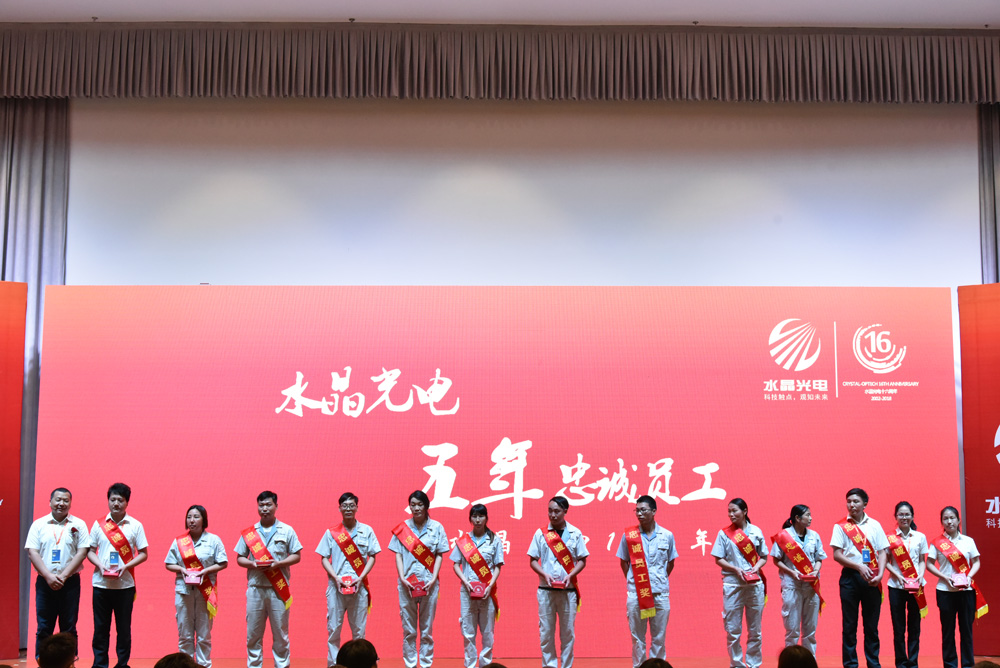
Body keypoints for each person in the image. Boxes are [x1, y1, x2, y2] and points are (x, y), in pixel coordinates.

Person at [234, 490, 303, 668]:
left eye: (268, 505)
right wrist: (253, 564)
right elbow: (240, 558)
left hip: (278, 589)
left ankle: (282, 666)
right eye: (261, 505)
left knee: (280, 634)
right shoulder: (250, 533)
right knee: (253, 634)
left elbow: (296, 555)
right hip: (255, 589)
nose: (264, 508)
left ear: (276, 506)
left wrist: (278, 564)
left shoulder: (287, 530)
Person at [87, 482, 149, 668]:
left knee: (123, 629)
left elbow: (143, 553)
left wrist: (126, 566)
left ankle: (122, 664)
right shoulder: (99, 524)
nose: (116, 503)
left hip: (125, 586)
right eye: (112, 499)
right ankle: (100, 664)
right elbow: (90, 551)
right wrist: (99, 565)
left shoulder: (135, 525)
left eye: (120, 500)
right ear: (108, 501)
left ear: (127, 502)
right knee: (100, 629)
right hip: (101, 585)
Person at [316, 492, 381, 666]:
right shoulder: (331, 533)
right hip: (336, 588)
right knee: (333, 630)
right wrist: (336, 577)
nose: (348, 509)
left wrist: (361, 577)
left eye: (352, 505)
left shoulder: (366, 531)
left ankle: (359, 665)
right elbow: (324, 557)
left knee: (359, 632)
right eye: (345, 506)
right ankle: (334, 665)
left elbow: (373, 556)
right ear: (339, 508)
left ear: (357, 507)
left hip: (359, 588)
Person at [25, 488, 91, 658]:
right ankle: (43, 661)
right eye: (58, 500)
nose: (61, 503)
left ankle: (69, 662)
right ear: (50, 502)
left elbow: (82, 552)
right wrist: (48, 576)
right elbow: (32, 552)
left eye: (66, 500)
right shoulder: (39, 524)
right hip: (44, 582)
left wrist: (63, 576)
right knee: (44, 627)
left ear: (70, 503)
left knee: (69, 627)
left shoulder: (79, 524)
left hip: (70, 582)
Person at [388, 490, 450, 668]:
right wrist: (402, 577)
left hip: (429, 584)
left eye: (420, 504)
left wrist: (434, 577)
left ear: (426, 506)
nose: (416, 508)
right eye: (413, 505)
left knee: (426, 629)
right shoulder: (403, 529)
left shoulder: (437, 527)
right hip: (407, 584)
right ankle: (410, 664)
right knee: (409, 630)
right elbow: (398, 555)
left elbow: (439, 555)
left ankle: (425, 664)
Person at [616, 495, 678, 668]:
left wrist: (659, 579)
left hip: (660, 594)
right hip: (637, 594)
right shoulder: (629, 536)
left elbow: (671, 562)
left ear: (654, 511)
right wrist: (635, 581)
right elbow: (623, 562)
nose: (639, 513)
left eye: (643, 510)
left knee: (659, 637)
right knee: (637, 638)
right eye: (637, 510)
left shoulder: (667, 535)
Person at [527, 495, 589, 668]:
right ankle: (549, 666)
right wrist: (544, 574)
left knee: (567, 633)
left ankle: (566, 666)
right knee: (546, 632)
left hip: (568, 591)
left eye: (556, 511)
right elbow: (532, 560)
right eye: (550, 511)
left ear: (565, 511)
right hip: (545, 590)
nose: (552, 515)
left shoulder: (575, 533)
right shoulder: (541, 533)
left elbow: (582, 560)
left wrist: (571, 575)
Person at [831, 487, 889, 668]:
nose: (851, 505)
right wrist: (858, 566)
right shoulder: (840, 526)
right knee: (849, 625)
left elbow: (882, 551)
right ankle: (850, 664)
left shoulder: (875, 525)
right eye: (849, 501)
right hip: (850, 578)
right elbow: (837, 555)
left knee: (871, 626)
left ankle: (873, 663)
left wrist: (880, 574)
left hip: (872, 577)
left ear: (865, 504)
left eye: (856, 501)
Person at [164, 505, 228, 668]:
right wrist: (181, 569)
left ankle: (204, 665)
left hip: (205, 592)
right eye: (189, 517)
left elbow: (223, 562)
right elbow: (169, 563)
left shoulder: (214, 540)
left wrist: (205, 571)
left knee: (204, 635)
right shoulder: (179, 541)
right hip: (184, 592)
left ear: (204, 520)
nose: (192, 520)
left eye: (196, 517)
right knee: (185, 635)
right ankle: (185, 666)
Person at [711, 497, 767, 668]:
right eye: (729, 511)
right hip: (733, 585)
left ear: (744, 511)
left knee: (755, 631)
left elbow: (764, 556)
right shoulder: (724, 533)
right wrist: (735, 569)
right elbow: (718, 559)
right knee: (733, 630)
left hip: (754, 586)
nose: (731, 514)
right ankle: (736, 664)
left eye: (734, 510)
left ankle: (754, 664)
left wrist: (756, 567)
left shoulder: (756, 531)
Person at [926, 506, 985, 668]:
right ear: (942, 522)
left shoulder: (968, 541)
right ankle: (950, 664)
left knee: (966, 631)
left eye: (952, 518)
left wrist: (969, 576)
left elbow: (976, 562)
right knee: (948, 632)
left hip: (966, 591)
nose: (949, 521)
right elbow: (929, 564)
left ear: (958, 520)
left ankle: (968, 665)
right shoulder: (937, 543)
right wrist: (944, 577)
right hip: (945, 591)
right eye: (945, 518)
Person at [451, 503, 505, 668]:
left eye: (481, 516)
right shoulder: (463, 541)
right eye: (474, 516)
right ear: (470, 519)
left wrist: (490, 584)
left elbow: (498, 566)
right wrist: (465, 581)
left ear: (486, 518)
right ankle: (470, 665)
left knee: (487, 633)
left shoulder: (494, 540)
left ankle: (485, 665)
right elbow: (455, 564)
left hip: (487, 592)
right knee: (468, 632)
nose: (477, 520)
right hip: (467, 592)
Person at [770, 504, 826, 656]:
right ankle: (791, 662)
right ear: (797, 518)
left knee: (810, 630)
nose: (811, 518)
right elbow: (776, 560)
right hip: (792, 586)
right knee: (792, 629)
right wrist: (791, 572)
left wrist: (815, 570)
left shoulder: (814, 535)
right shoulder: (784, 536)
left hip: (811, 586)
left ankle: (810, 661)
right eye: (808, 515)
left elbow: (819, 558)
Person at [884, 501, 928, 668]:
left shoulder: (920, 537)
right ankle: (901, 663)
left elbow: (922, 560)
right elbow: (885, 561)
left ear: (912, 516)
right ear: (895, 517)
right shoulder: (889, 538)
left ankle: (913, 662)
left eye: (907, 514)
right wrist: (898, 576)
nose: (904, 517)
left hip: (916, 585)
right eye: (901, 514)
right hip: (896, 586)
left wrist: (921, 575)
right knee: (899, 627)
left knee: (915, 626)